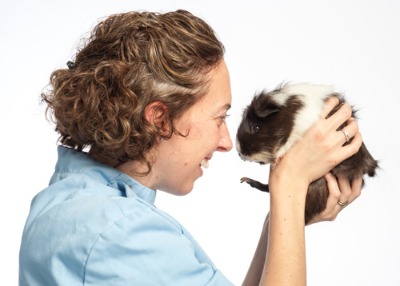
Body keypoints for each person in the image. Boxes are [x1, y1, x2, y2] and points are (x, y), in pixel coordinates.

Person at [19, 9, 363, 286]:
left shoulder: (67, 201)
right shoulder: (118, 232)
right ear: (160, 119)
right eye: (219, 118)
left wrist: (280, 218)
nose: (227, 142)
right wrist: (290, 186)